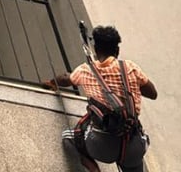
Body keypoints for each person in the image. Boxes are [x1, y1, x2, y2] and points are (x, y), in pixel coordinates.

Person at [43, 25, 157, 172]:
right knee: (134, 162)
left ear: (96, 49)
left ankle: (94, 169)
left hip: (100, 146)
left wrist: (52, 82)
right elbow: (153, 93)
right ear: (117, 50)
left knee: (69, 137)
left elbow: (65, 78)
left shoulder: (85, 70)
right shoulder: (130, 68)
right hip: (133, 145)